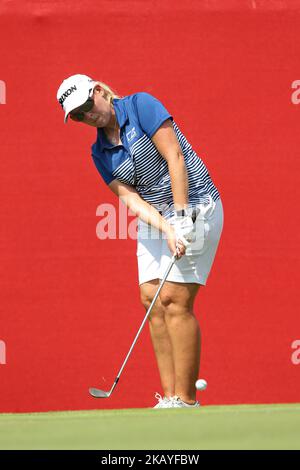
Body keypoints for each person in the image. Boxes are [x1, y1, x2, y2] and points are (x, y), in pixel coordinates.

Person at [57, 74, 224, 408]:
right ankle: (170, 398)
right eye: (78, 115)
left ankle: (188, 402)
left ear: (100, 91)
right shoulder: (100, 152)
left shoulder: (140, 105)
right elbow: (132, 201)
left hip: (196, 205)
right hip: (159, 216)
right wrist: (166, 227)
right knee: (151, 298)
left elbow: (174, 156)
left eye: (88, 105)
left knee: (175, 300)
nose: (88, 115)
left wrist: (180, 217)